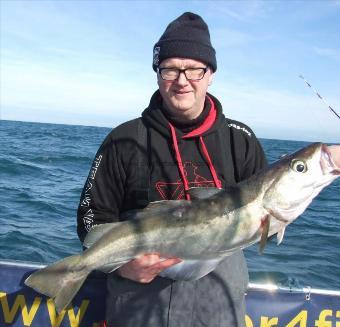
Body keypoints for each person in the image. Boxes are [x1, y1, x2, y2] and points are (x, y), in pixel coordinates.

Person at [77, 12, 267, 327]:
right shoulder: (123, 139)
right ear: (156, 73)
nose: (182, 80)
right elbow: (90, 219)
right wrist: (124, 268)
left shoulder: (240, 140)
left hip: (218, 312)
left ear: (211, 74)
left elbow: (266, 221)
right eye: (170, 69)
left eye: (194, 69)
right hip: (136, 310)